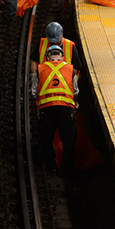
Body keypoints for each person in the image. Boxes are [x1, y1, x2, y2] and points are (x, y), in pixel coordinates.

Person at [31, 45, 78, 178]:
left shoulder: (40, 69)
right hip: (66, 109)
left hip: (47, 109)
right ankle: (66, 166)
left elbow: (34, 92)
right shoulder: (70, 69)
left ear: (47, 57)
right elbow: (75, 91)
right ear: (62, 57)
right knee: (68, 138)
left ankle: (49, 165)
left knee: (47, 137)